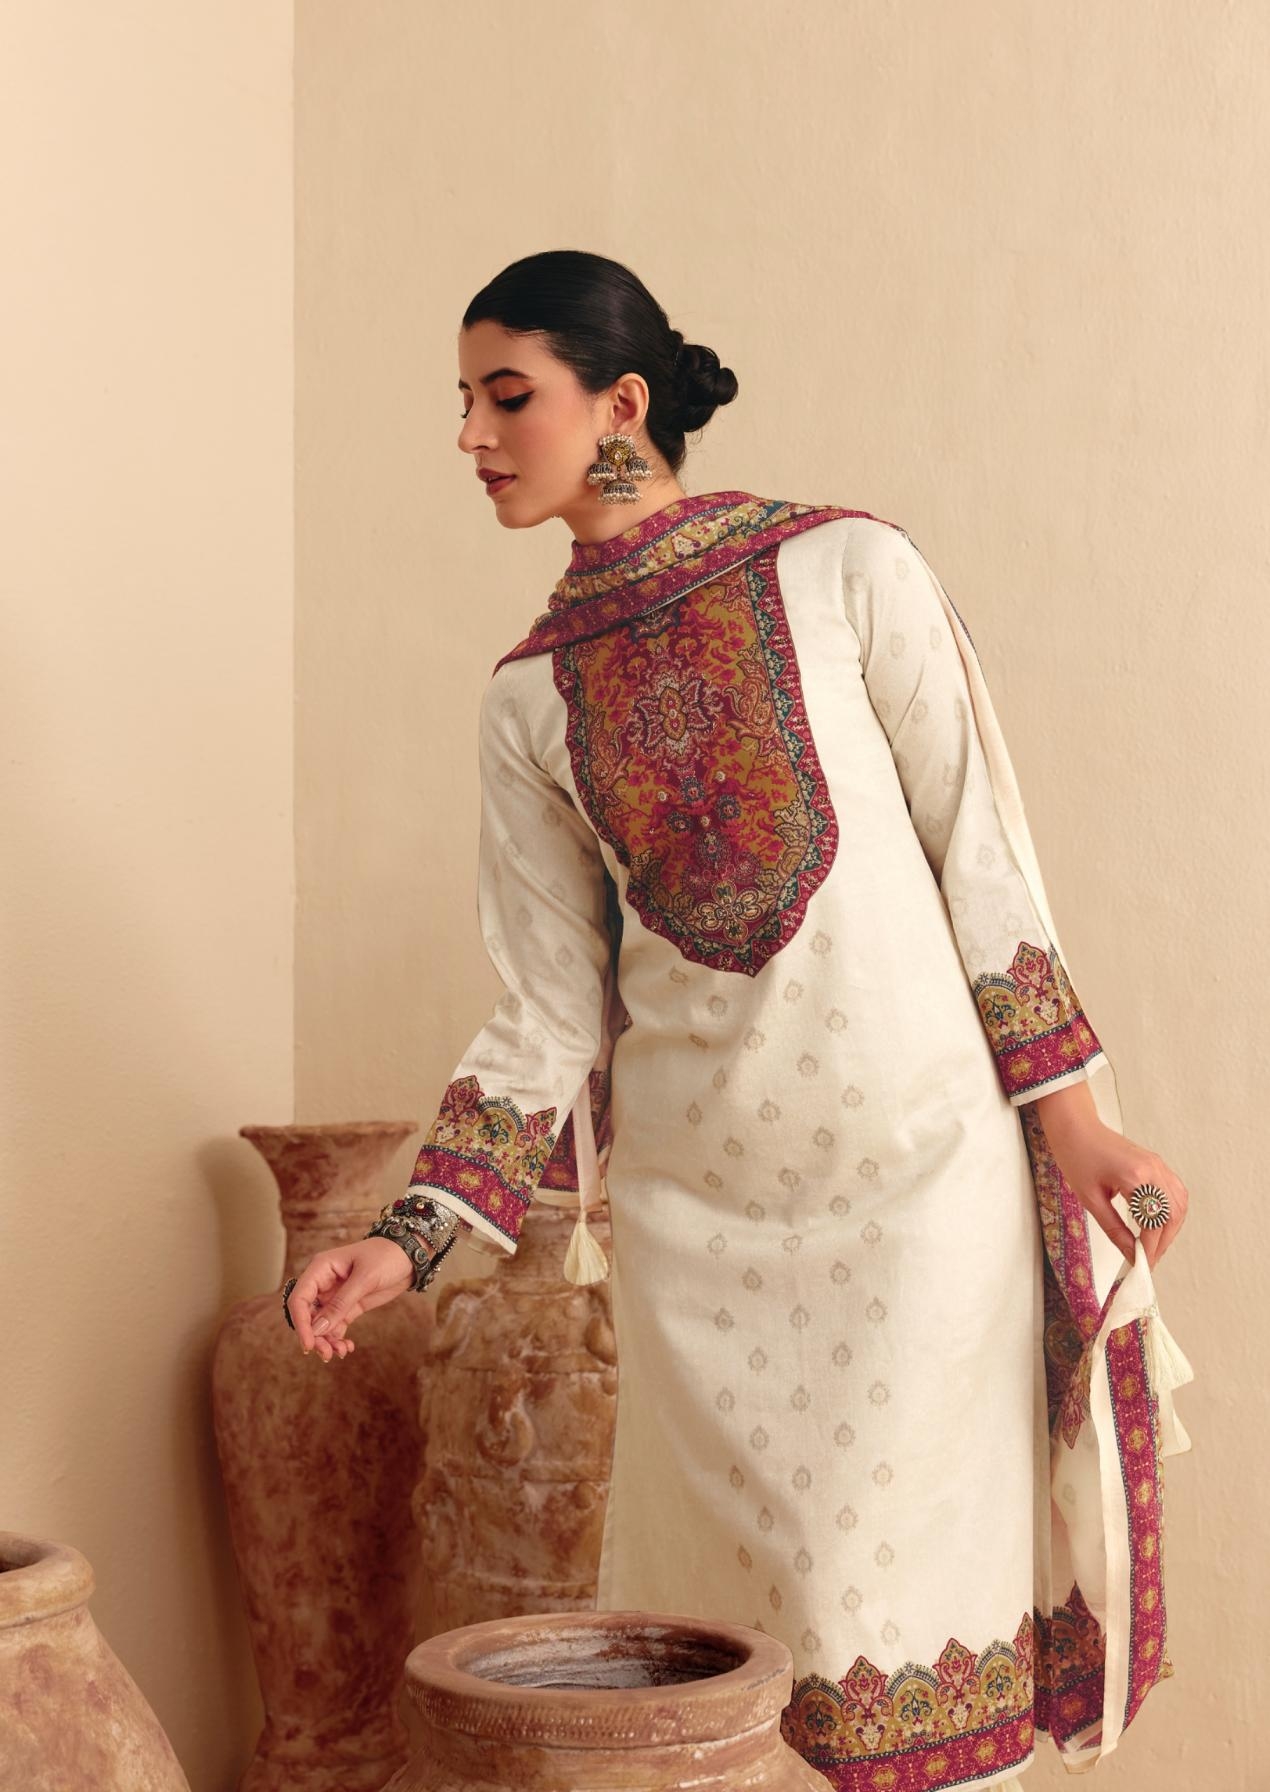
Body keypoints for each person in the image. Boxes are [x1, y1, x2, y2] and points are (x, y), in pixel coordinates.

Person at [284, 250, 1193, 1788]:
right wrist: (412, 1236)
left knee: (905, 1649)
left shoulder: (845, 572)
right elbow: (544, 1013)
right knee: (739, 1686)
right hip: (698, 1238)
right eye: (464, 403)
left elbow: (981, 855)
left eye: (507, 397)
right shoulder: (528, 698)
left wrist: (1076, 1126)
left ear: (619, 406)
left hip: (919, 1199)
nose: (472, 437)